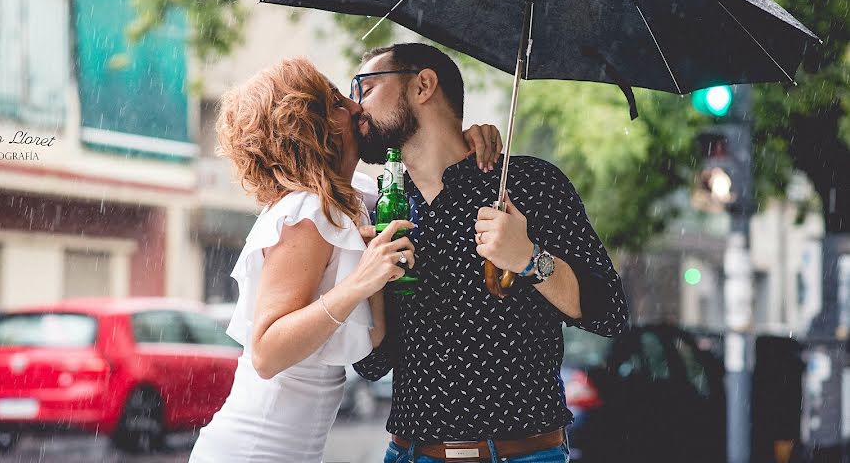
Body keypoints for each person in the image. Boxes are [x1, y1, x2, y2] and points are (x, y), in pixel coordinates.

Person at [188, 56, 502, 463]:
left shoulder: (353, 198)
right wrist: (360, 282)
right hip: (254, 450)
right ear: (312, 128)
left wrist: (470, 136)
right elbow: (266, 353)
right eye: (338, 102)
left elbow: (370, 338)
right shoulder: (306, 211)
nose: (356, 108)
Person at [351, 43, 630, 463]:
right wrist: (368, 279)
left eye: (366, 88)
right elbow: (374, 365)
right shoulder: (385, 210)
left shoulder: (529, 183)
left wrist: (529, 258)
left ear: (423, 85)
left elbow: (609, 311)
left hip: (519, 455)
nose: (357, 107)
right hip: (410, 454)